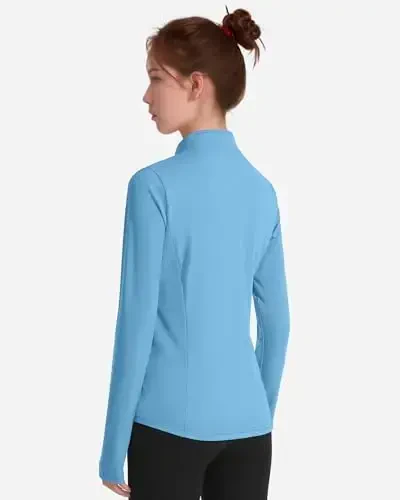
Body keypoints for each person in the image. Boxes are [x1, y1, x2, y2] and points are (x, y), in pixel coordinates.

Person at [98, 6, 290, 500]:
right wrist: (257, 414)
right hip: (250, 433)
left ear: (196, 85)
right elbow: (278, 324)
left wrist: (113, 443)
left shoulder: (153, 186)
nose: (146, 96)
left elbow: (136, 321)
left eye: (156, 79)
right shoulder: (263, 191)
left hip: (168, 428)